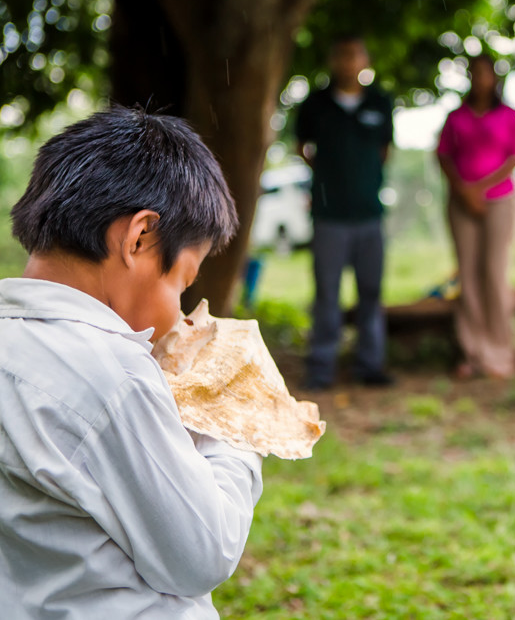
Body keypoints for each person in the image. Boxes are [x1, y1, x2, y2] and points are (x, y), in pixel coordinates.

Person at [1, 106, 262, 618]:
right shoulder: (113, 376)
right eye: (180, 284)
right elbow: (202, 554)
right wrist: (240, 428)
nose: (179, 316)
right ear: (140, 237)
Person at [296, 34, 395, 388]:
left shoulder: (380, 102)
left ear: (365, 60)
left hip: (370, 214)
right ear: (332, 60)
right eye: (341, 55)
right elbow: (301, 146)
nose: (348, 62)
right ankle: (321, 370)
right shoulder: (315, 104)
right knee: (327, 295)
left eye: (354, 55)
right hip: (329, 216)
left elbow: (386, 149)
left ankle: (370, 366)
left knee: (371, 291)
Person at [436, 54, 515, 379]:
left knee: (494, 273)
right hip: (460, 201)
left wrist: (481, 189)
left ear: (495, 78)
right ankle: (473, 353)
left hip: (499, 200)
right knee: (468, 275)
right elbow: (444, 155)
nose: (480, 78)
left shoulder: (510, 116)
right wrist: (463, 190)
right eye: (475, 73)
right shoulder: (455, 117)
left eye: (486, 73)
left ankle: (501, 353)